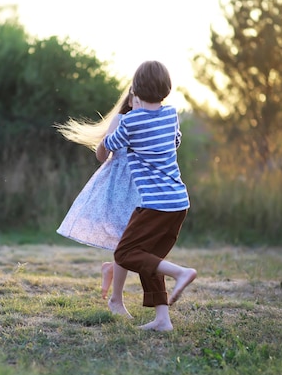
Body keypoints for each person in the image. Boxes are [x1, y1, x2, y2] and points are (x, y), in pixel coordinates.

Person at [100, 60, 197, 331]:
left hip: (154, 205)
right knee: (150, 259)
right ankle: (162, 320)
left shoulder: (131, 121)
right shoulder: (171, 114)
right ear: (167, 88)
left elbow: (108, 147)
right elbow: (176, 141)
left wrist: (109, 135)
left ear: (135, 90)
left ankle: (181, 272)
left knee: (126, 253)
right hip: (179, 202)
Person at [56, 86, 140, 318]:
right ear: (130, 101)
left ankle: (112, 268)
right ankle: (117, 300)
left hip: (141, 186)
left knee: (140, 241)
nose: (142, 104)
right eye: (137, 99)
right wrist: (105, 144)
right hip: (118, 187)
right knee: (125, 240)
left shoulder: (151, 122)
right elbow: (103, 156)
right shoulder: (120, 120)